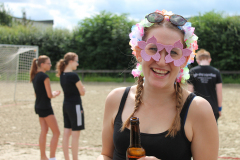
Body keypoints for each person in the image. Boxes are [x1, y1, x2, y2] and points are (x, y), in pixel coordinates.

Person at [97, 9, 219, 160]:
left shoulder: (198, 110)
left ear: (185, 59)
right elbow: (106, 155)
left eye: (173, 52)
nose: (162, 61)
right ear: (139, 52)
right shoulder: (116, 99)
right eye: (153, 49)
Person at [30, 55, 61, 160]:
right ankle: (52, 157)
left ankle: (43, 156)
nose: (50, 65)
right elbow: (49, 95)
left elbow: (37, 94)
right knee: (56, 132)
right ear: (42, 65)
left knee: (44, 130)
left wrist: (51, 94)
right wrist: (55, 94)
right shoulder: (44, 77)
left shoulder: (35, 76)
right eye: (48, 63)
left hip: (38, 106)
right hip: (46, 107)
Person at [56, 52, 86, 160]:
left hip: (66, 105)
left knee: (66, 133)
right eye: (77, 61)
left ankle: (67, 158)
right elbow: (82, 92)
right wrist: (84, 89)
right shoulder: (73, 75)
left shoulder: (62, 75)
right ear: (71, 61)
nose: (77, 64)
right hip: (75, 106)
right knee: (75, 135)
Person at [187, 49, 223, 121]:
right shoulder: (216, 72)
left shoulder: (192, 72)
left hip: (196, 106)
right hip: (212, 107)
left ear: (197, 61)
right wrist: (219, 108)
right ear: (210, 60)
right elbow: (219, 92)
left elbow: (190, 92)